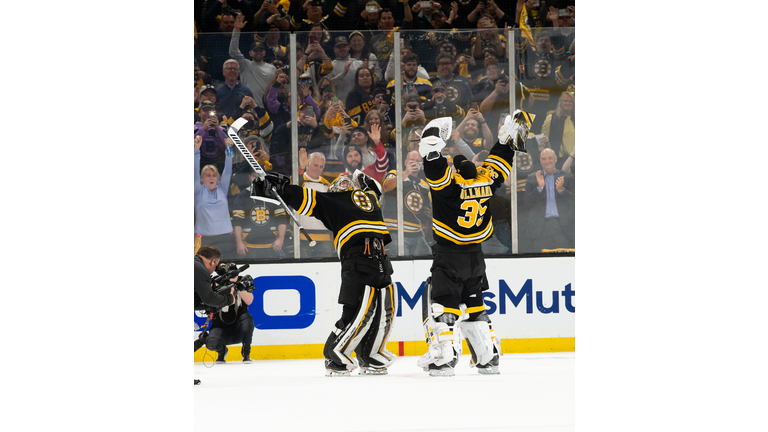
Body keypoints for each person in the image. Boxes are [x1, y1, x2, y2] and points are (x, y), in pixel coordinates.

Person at [416, 112, 532, 376]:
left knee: (443, 305)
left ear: (457, 172)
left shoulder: (449, 188)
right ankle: (488, 356)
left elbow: (433, 164)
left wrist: (432, 139)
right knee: (475, 304)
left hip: (449, 256)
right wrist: (510, 137)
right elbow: (501, 160)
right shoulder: (486, 182)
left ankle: (443, 358)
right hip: (476, 260)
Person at [251, 170, 396, 376]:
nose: (345, 181)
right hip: (357, 260)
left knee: (382, 310)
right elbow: (305, 198)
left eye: (348, 181)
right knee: (355, 312)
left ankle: (370, 355)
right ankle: (335, 356)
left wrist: (363, 181)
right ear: (334, 189)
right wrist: (281, 189)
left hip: (381, 259)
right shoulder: (332, 202)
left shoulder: (369, 198)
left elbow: (374, 188)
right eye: (341, 181)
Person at [193, 244, 236, 385]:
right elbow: (209, 298)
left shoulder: (195, 265)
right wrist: (229, 299)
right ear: (212, 261)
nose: (212, 272)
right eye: (214, 266)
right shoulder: (198, 268)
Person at [520, 147, 574, 253]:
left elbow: (574, 201)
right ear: (540, 161)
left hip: (563, 227)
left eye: (550, 158)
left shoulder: (566, 177)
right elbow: (526, 203)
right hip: (540, 228)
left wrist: (561, 190)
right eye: (544, 159)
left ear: (555, 159)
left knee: (563, 262)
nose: (547, 161)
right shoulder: (532, 178)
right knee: (541, 263)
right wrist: (539, 188)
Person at [381, 150, 433, 257]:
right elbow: (386, 186)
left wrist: (425, 228)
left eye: (418, 161)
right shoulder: (395, 173)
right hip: (396, 232)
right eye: (411, 160)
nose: (415, 163)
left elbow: (426, 210)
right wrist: (405, 173)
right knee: (401, 266)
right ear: (405, 162)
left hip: (418, 234)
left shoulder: (424, 185)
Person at [232, 170, 291, 260]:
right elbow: (237, 222)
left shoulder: (273, 195)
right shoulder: (242, 196)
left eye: (260, 176)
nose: (257, 179)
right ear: (249, 177)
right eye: (254, 176)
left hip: (272, 246)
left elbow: (281, 219)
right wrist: (239, 242)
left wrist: (280, 239)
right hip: (249, 247)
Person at [195, 135, 237, 258]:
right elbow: (193, 172)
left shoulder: (222, 189)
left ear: (218, 178)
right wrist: (196, 150)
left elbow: (228, 169)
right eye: (208, 175)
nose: (211, 177)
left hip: (226, 238)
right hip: (205, 240)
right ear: (202, 179)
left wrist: (229, 148)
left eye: (214, 175)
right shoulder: (197, 192)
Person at [205, 266, 256, 364]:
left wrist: (238, 287)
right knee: (211, 343)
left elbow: (249, 301)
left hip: (239, 329)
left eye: (234, 274)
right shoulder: (217, 282)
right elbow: (208, 298)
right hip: (220, 327)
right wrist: (221, 285)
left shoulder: (242, 282)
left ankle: (246, 354)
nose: (232, 277)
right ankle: (222, 351)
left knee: (247, 319)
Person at [229, 13, 277, 108]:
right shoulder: (245, 64)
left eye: (261, 50)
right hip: (247, 106)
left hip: (267, 106)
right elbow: (233, 51)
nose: (258, 52)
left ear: (265, 53)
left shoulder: (272, 68)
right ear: (250, 53)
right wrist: (236, 30)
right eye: (255, 50)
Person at [296, 150, 336, 258]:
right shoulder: (298, 179)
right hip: (302, 237)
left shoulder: (326, 185)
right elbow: (293, 189)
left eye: (321, 166)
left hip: (324, 238)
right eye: (315, 165)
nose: (317, 169)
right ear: (308, 163)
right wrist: (300, 168)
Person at [540, 91, 575, 171]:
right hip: (559, 161)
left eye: (570, 101)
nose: (568, 103)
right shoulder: (552, 119)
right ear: (560, 103)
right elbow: (543, 141)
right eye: (565, 101)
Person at [194, 100, 230, 176]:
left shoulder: (222, 129)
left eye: (210, 110)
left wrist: (218, 129)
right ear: (199, 113)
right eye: (204, 110)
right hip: (198, 166)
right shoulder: (194, 129)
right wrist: (203, 130)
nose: (207, 113)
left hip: (218, 166)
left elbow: (227, 146)